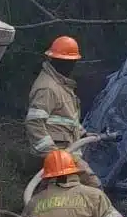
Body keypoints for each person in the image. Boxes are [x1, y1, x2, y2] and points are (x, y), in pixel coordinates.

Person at [25, 35, 101, 188]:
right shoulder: (47, 87)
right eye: (66, 62)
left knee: (55, 194)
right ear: (54, 60)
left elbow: (66, 118)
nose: (70, 66)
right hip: (60, 153)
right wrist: (53, 155)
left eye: (72, 62)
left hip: (66, 152)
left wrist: (84, 134)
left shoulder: (60, 85)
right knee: (93, 187)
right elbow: (34, 123)